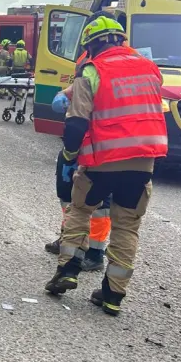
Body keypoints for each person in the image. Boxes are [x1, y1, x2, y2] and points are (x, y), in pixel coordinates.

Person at [44, 15, 167, 315]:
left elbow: (76, 122)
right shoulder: (150, 68)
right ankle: (113, 294)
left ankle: (68, 269)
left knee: (80, 210)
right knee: (127, 226)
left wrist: (70, 157)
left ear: (93, 44)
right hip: (142, 161)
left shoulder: (93, 70)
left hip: (104, 160)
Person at [45, 54, 110, 272]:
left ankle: (94, 253)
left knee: (98, 204)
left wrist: (71, 153)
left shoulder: (117, 64)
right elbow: (81, 87)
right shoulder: (89, 60)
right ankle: (68, 239)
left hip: (98, 143)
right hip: (79, 138)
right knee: (66, 195)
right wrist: (63, 94)